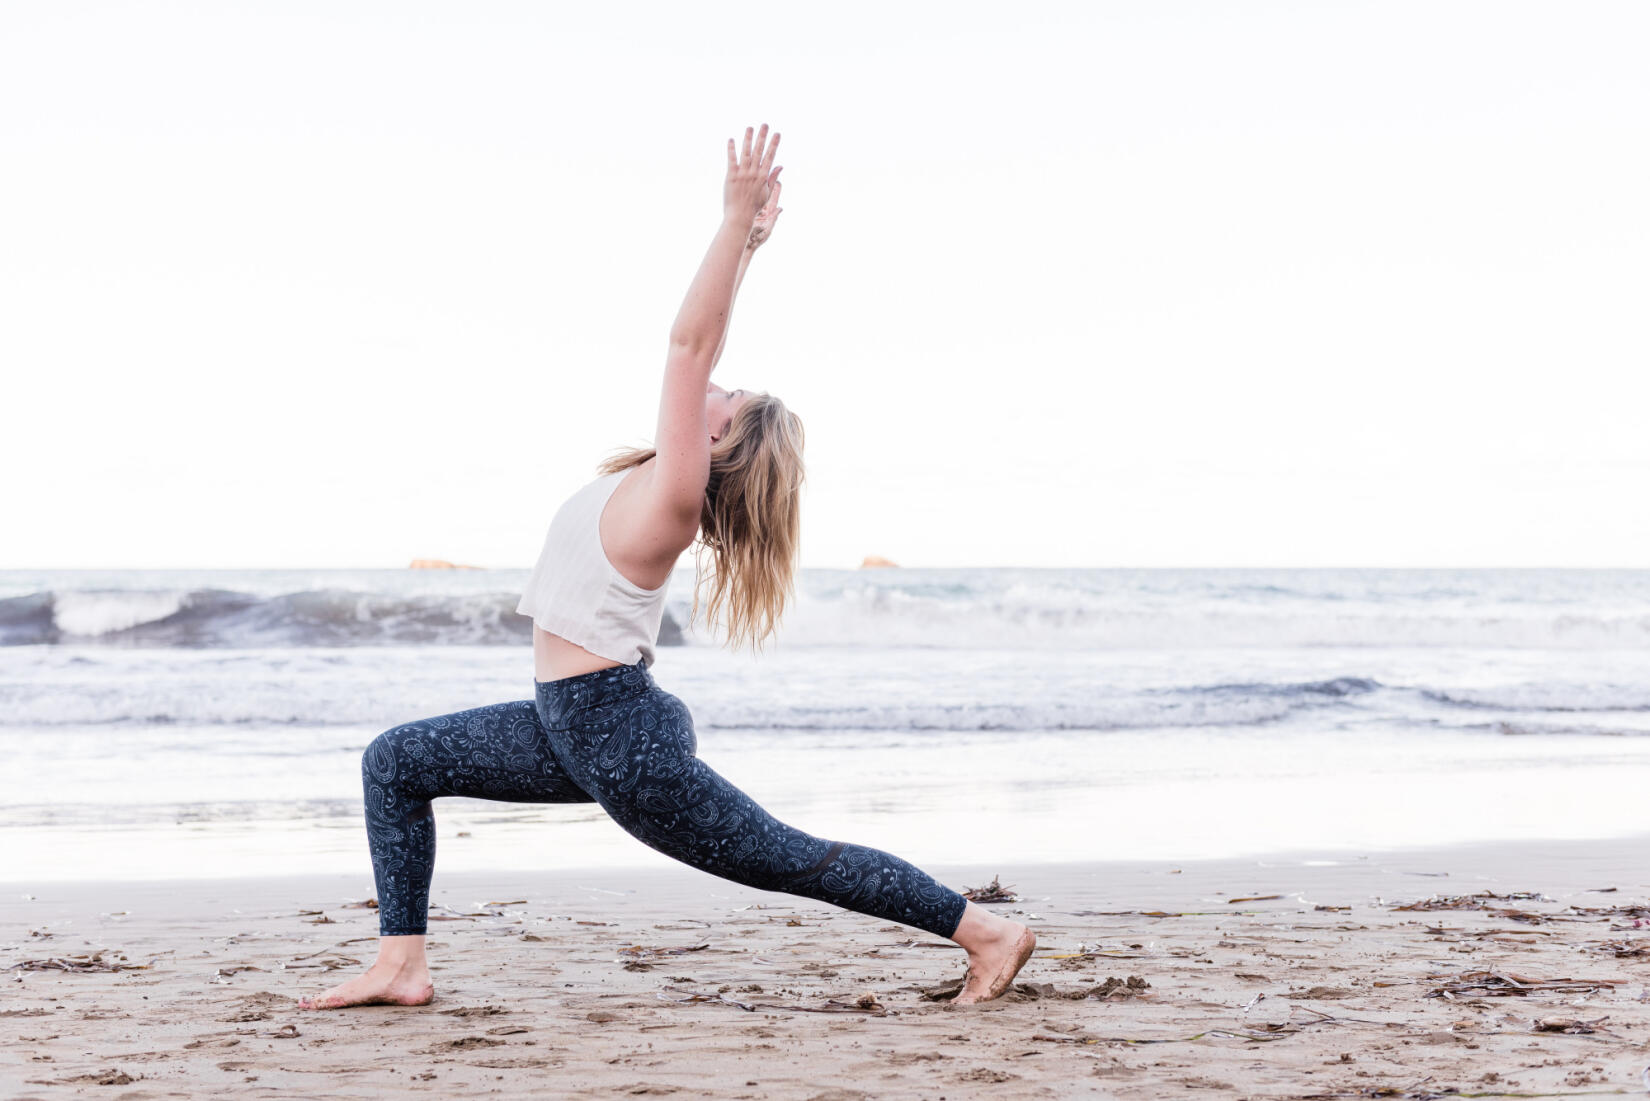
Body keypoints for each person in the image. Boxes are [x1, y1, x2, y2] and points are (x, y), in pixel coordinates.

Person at [298, 125, 1035, 1011]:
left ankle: (986, 930)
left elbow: (690, 347)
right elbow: (703, 349)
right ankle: (402, 964)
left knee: (787, 857)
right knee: (396, 762)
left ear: (718, 439)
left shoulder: (676, 497)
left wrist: (730, 228)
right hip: (571, 719)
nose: (717, 385)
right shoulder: (653, 479)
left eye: (732, 397)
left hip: (622, 740)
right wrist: (751, 248)